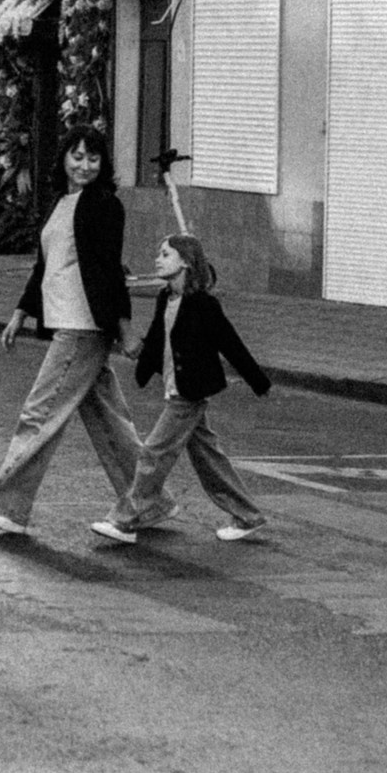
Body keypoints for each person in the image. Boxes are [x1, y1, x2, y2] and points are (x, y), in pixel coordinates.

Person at [0, 127, 147, 537]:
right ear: (64, 158)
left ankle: (7, 505)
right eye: (77, 156)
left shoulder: (104, 205)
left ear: (103, 165)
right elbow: (45, 267)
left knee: (40, 413)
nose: (84, 165)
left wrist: (125, 328)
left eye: (93, 159)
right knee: (108, 422)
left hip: (83, 325)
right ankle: (148, 500)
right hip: (67, 319)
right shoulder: (61, 204)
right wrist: (20, 312)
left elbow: (108, 270)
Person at [91, 233, 272, 547]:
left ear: (185, 262)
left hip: (189, 393)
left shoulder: (203, 304)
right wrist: (143, 362)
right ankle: (248, 515)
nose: (157, 260)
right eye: (159, 254)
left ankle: (125, 520)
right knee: (209, 460)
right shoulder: (166, 298)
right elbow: (160, 338)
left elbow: (230, 343)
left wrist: (258, 381)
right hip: (176, 388)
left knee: (153, 453)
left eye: (165, 254)